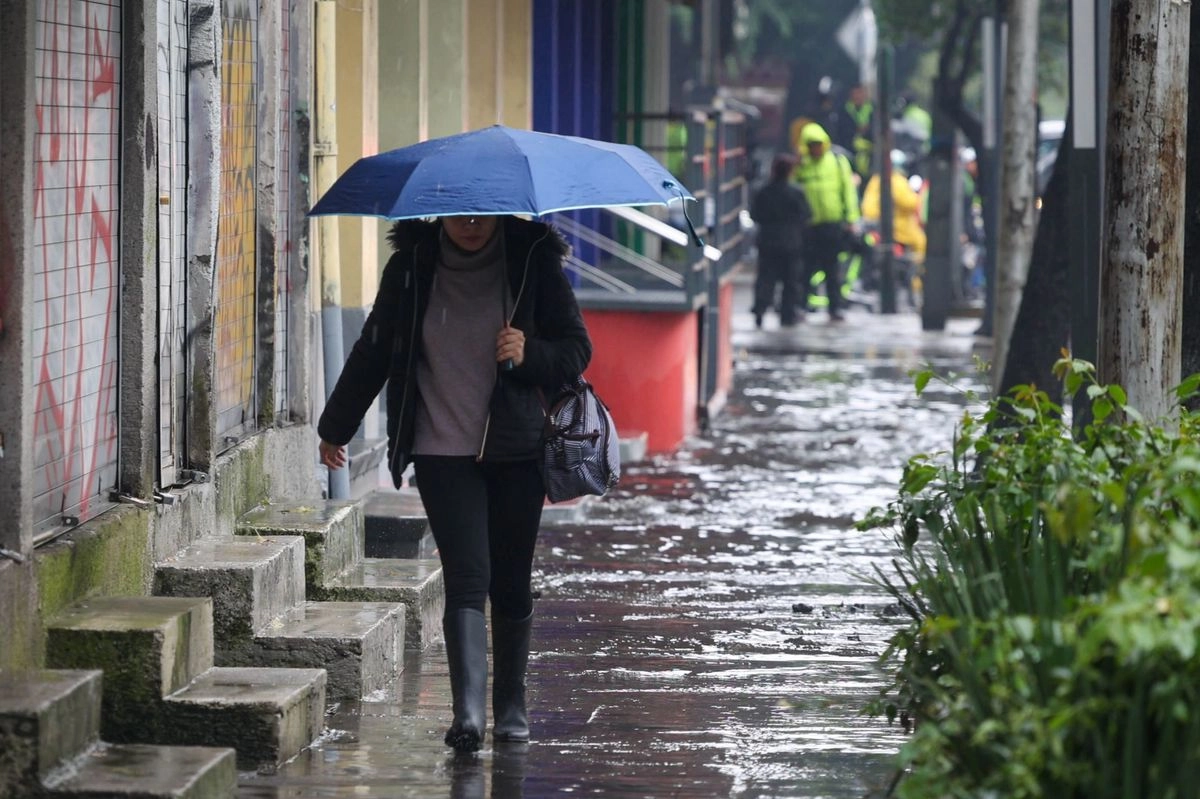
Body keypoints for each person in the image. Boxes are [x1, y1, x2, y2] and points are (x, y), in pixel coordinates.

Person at [317, 214, 592, 753]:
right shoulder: (412, 265)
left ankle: (510, 706)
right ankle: (467, 715)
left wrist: (529, 353)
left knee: (510, 580)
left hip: (517, 449)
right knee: (467, 575)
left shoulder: (532, 261)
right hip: (440, 448)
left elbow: (577, 349)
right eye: (458, 214)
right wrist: (336, 426)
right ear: (439, 213)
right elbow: (376, 348)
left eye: (480, 214)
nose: (469, 224)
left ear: (499, 212)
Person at [792, 123, 861, 322]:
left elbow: (848, 192)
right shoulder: (801, 166)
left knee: (832, 269)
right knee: (805, 269)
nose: (816, 149)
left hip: (832, 225)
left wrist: (852, 219)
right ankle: (801, 306)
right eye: (811, 145)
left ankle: (835, 308)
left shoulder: (837, 162)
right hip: (808, 227)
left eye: (818, 144)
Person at [749, 153, 812, 328]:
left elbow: (755, 215)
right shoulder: (797, 192)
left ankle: (760, 309)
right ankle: (787, 315)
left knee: (765, 278)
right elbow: (806, 215)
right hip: (791, 242)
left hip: (767, 241)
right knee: (791, 281)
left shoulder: (763, 192)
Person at [860, 151, 927, 261]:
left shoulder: (876, 178)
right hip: (896, 228)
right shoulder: (896, 180)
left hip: (876, 226)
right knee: (921, 243)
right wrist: (919, 196)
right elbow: (910, 203)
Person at [838, 84, 875, 181]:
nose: (858, 96)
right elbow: (842, 131)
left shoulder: (873, 109)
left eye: (860, 93)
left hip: (871, 154)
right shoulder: (844, 110)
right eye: (855, 94)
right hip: (850, 152)